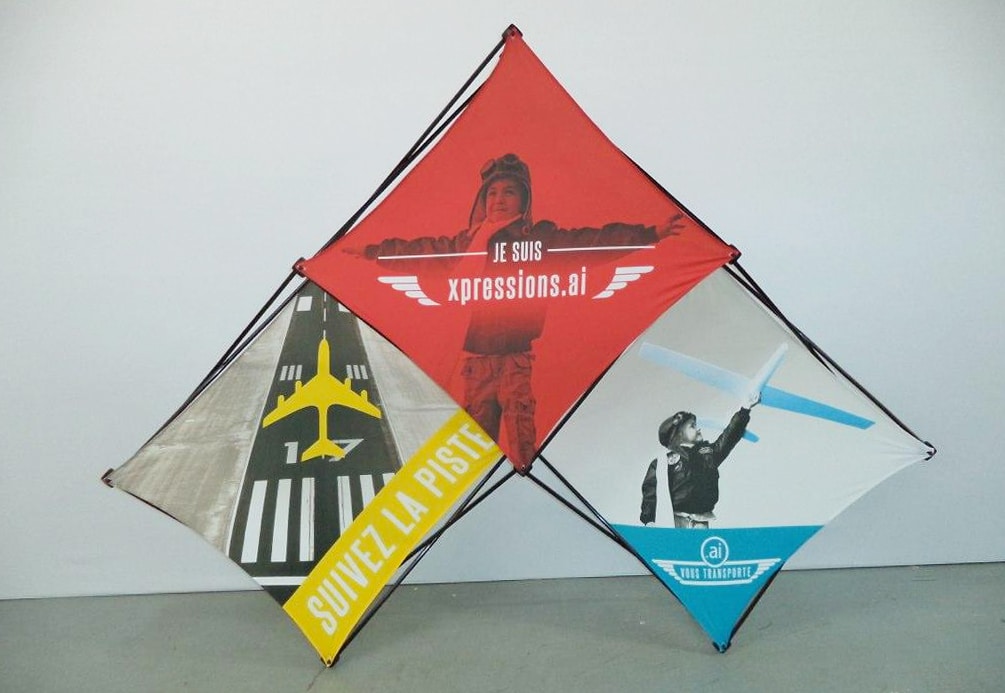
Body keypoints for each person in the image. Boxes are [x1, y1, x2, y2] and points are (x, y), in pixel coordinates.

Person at [352, 153, 681, 472]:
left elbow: (593, 242)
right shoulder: (467, 244)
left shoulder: (539, 240)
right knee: (477, 452)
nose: (498, 199)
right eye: (492, 193)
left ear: (524, 200)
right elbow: (417, 252)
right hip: (476, 365)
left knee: (523, 447)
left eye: (509, 192)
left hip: (515, 362)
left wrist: (650, 234)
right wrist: (369, 251)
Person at [640, 396, 758, 528]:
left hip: (701, 522)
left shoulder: (707, 455)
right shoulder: (663, 463)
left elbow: (729, 437)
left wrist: (744, 410)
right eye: (692, 426)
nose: (698, 429)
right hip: (673, 521)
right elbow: (650, 491)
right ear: (679, 434)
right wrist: (649, 520)